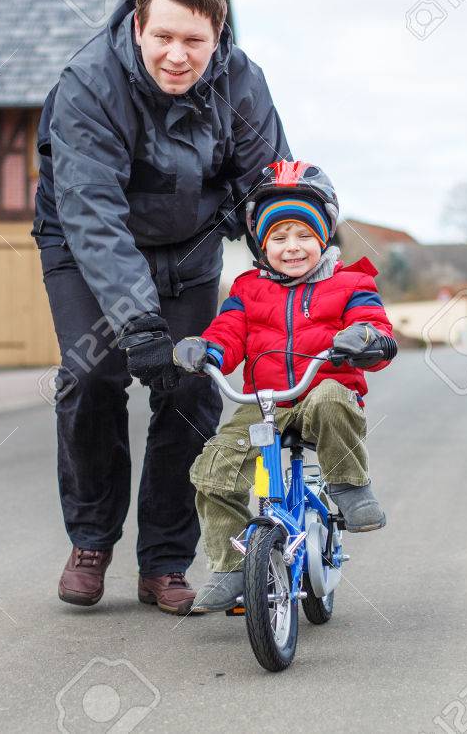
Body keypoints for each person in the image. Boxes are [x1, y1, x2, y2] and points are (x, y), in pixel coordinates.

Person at [34, 0, 290, 615]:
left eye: (194, 42)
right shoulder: (89, 86)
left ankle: (165, 563)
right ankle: (91, 541)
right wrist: (138, 323)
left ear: (218, 36)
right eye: (164, 38)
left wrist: (297, 263)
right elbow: (93, 214)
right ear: (139, 27)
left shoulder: (242, 84)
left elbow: (268, 187)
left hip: (190, 250)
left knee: (189, 385)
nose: (177, 56)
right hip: (87, 246)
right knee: (92, 374)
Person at [171, 161, 398, 613]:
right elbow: (228, 332)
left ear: (323, 238)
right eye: (278, 237)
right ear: (261, 243)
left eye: (303, 236)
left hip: (321, 392)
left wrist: (366, 339)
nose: (291, 247)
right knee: (214, 470)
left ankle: (349, 485)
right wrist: (207, 351)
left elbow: (376, 328)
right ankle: (230, 567)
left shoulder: (352, 284)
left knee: (334, 398)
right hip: (265, 403)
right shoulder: (248, 289)